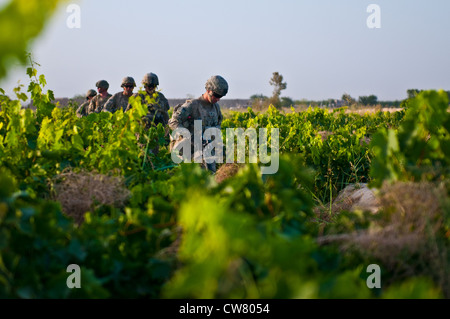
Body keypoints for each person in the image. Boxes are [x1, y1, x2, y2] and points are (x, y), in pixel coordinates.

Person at [168, 75, 228, 173]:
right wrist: (188, 136)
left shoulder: (216, 107)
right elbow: (173, 122)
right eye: (216, 95)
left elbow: (218, 126)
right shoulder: (192, 105)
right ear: (208, 90)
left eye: (220, 96)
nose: (218, 99)